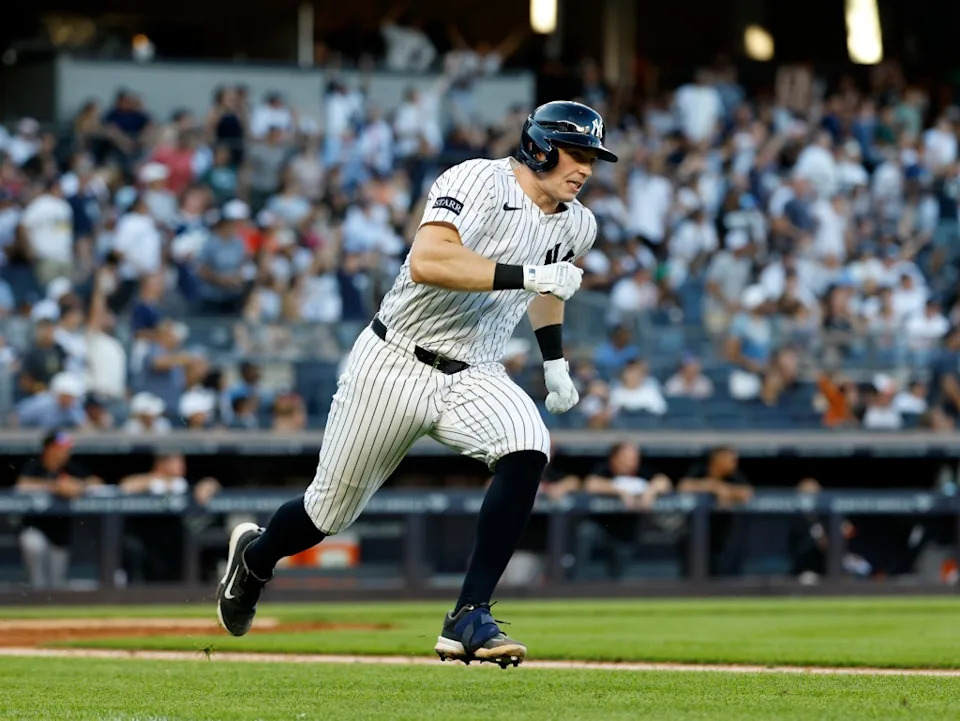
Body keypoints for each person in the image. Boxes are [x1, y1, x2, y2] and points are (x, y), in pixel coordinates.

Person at [216, 100, 617, 668]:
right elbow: (430, 259)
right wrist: (530, 276)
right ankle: (256, 559)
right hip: (394, 360)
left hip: (476, 368)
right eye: (577, 153)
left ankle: (469, 614)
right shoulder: (478, 179)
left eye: (594, 158)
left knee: (529, 445)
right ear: (541, 146)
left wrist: (555, 361)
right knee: (326, 514)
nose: (586, 168)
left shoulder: (580, 223)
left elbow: (552, 288)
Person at [15, 429, 103, 589]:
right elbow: (22, 485)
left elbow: (96, 482)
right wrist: (54, 487)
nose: (66, 452)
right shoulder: (34, 465)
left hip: (61, 534)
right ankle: (35, 595)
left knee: (55, 584)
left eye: (67, 448)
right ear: (49, 448)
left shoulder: (71, 467)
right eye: (61, 447)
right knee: (32, 546)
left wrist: (78, 486)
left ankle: (49, 604)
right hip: (36, 528)